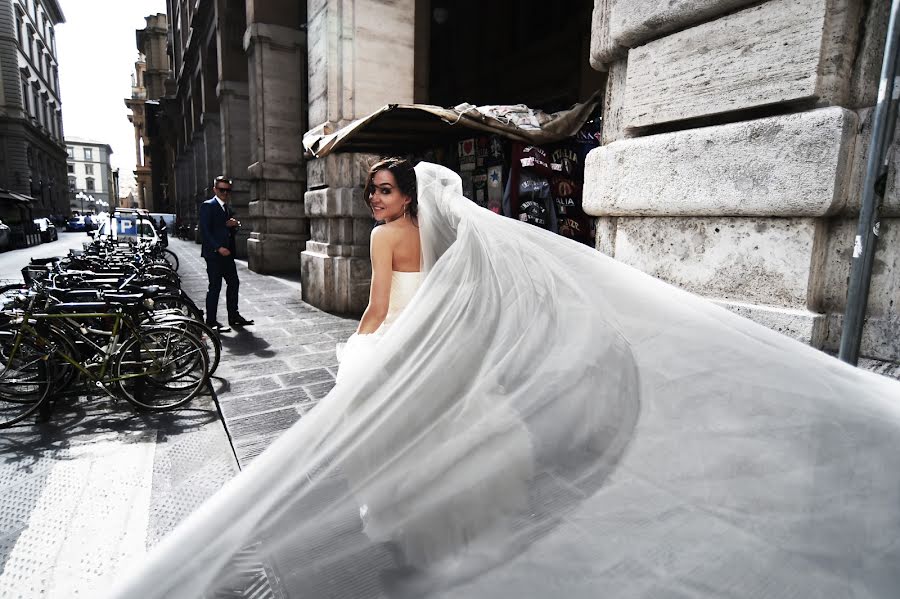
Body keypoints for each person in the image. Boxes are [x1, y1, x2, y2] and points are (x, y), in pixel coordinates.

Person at [109, 161, 900, 599]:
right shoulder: (452, 248)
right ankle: (459, 546)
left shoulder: (388, 242)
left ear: (401, 199)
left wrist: (352, 360)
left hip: (399, 345)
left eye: (381, 192)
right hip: (442, 356)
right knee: (460, 443)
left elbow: (380, 312)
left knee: (399, 453)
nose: (374, 201)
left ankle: (426, 548)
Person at [199, 175, 254, 331]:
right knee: (215, 287)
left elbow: (228, 229)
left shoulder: (227, 208)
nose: (225, 193)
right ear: (215, 190)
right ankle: (210, 321)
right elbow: (205, 231)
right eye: (222, 190)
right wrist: (218, 247)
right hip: (214, 255)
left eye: (228, 190)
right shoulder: (208, 206)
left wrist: (234, 225)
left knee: (234, 283)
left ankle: (233, 316)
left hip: (228, 254)